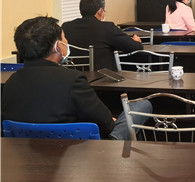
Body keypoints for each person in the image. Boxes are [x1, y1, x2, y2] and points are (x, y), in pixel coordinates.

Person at [2, 16, 152, 140]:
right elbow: (105, 125)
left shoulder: (10, 83)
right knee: (142, 105)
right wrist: (110, 119)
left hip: (26, 154)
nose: (67, 42)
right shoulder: (72, 80)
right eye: (64, 38)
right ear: (57, 47)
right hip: (82, 153)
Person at [62, 0, 144, 71]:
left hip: (75, 75)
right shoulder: (107, 27)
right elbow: (135, 47)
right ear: (100, 11)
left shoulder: (66, 27)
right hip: (103, 76)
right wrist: (136, 42)